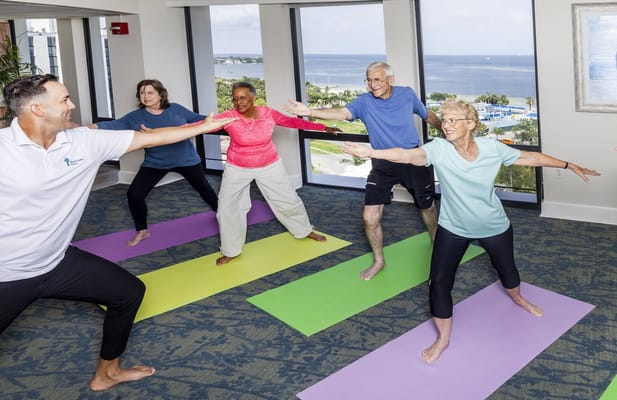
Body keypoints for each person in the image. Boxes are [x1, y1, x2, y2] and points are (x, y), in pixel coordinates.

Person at [0, 74, 235, 391]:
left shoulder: (84, 142)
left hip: (57, 262)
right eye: (64, 100)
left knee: (128, 293)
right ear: (38, 109)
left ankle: (106, 374)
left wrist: (204, 127)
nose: (72, 105)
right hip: (7, 273)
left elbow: (151, 138)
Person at [343, 99, 600, 364]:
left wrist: (570, 165)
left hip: (494, 225)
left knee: (508, 271)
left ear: (471, 124)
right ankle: (443, 338)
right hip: (453, 228)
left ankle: (518, 297)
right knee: (439, 283)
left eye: (454, 120)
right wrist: (373, 152)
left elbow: (532, 158)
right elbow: (407, 155)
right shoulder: (439, 149)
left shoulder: (492, 148)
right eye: (445, 119)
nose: (447, 125)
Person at [285, 61, 442, 280]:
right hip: (382, 162)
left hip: (412, 158)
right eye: (368, 80)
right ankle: (379, 260)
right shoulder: (364, 102)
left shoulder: (407, 95)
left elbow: (427, 115)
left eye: (377, 79)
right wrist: (310, 111)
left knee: (427, 207)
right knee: (370, 217)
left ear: (390, 80)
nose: (372, 84)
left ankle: (436, 242)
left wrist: (446, 130)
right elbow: (341, 113)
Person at [213, 81, 340, 265]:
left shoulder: (267, 113)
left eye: (243, 98)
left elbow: (292, 122)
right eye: (235, 99)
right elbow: (203, 125)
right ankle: (231, 250)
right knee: (227, 209)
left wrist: (322, 127)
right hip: (237, 168)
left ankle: (304, 230)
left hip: (269, 165)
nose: (238, 102)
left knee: (287, 199)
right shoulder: (229, 116)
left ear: (253, 98)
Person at [91, 79, 218, 247]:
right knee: (134, 194)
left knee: (205, 190)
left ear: (160, 94)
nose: (146, 96)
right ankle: (142, 231)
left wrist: (221, 120)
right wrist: (86, 129)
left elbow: (199, 120)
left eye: (150, 92)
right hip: (156, 162)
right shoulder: (135, 117)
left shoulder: (176, 110)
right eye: (142, 93)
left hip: (186, 160)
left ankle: (223, 215)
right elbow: (113, 125)